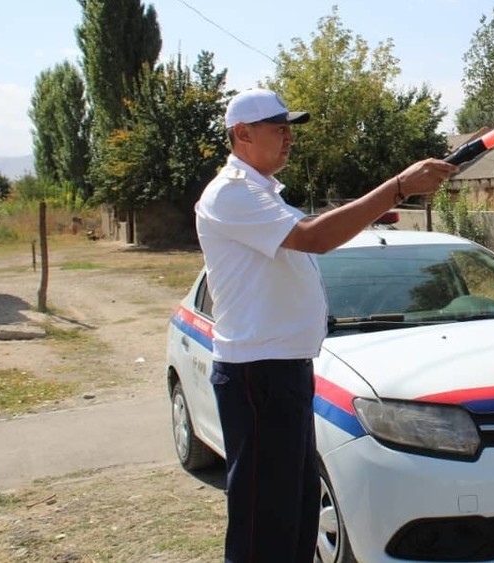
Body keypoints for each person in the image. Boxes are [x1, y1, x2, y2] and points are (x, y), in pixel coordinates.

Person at [194, 88, 457, 562]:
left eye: (289, 128)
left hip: (283, 370)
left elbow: (316, 233)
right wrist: (398, 186)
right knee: (264, 524)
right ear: (242, 134)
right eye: (279, 128)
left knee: (296, 515)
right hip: (258, 374)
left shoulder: (261, 193)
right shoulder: (231, 192)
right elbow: (314, 238)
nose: (289, 137)